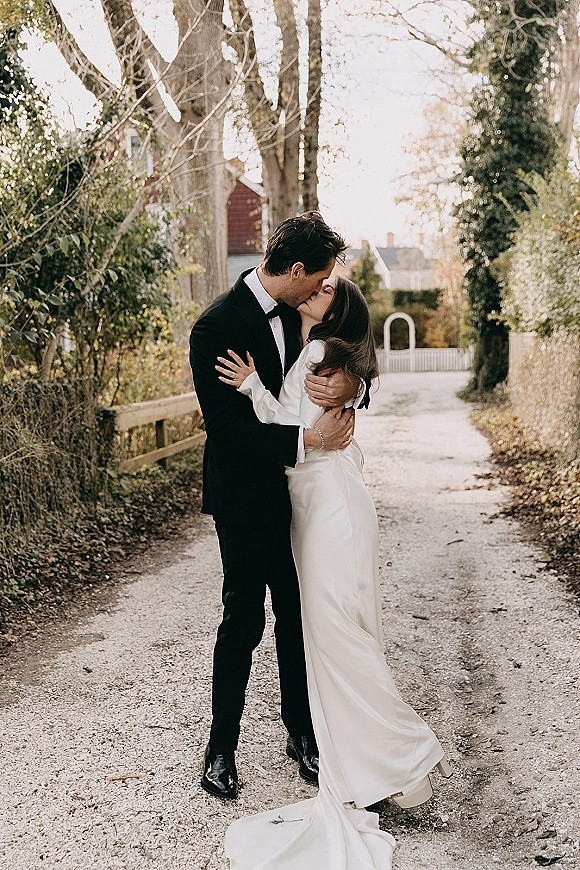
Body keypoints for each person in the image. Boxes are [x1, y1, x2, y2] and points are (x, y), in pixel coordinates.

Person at [216, 275, 452, 870]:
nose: (314, 292)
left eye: (324, 291)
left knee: (337, 634)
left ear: (332, 312)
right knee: (338, 631)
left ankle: (402, 747)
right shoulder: (313, 353)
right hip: (321, 504)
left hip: (330, 510)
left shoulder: (320, 354)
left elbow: (293, 428)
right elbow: (307, 426)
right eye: (315, 284)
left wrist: (249, 387)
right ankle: (370, 763)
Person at [189, 213, 364, 801]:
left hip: (303, 496)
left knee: (297, 616)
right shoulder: (215, 327)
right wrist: (309, 441)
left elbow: (336, 366)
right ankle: (220, 749)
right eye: (318, 280)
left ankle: (302, 734)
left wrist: (351, 392)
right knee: (245, 617)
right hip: (245, 495)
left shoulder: (304, 316)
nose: (323, 291)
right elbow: (228, 431)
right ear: (295, 270)